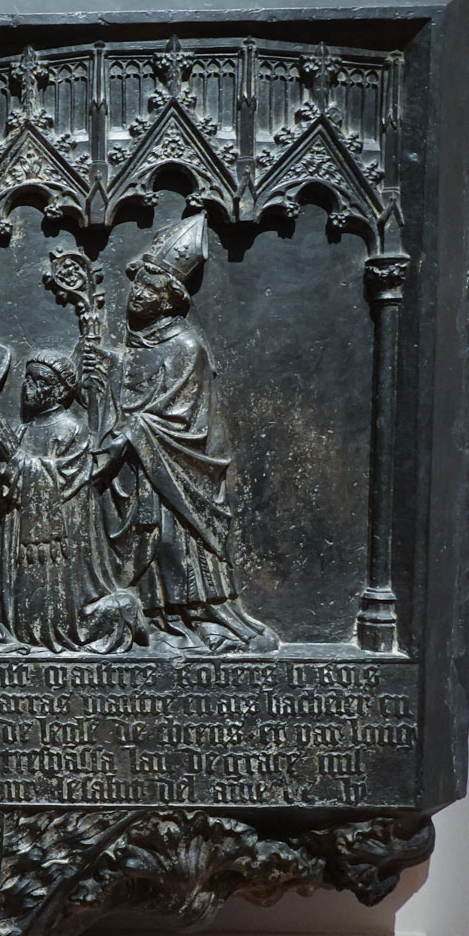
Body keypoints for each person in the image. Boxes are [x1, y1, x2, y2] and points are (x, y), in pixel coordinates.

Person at [79, 215, 279, 654]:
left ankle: (199, 616)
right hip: (141, 473)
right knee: (150, 543)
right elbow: (130, 388)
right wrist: (102, 367)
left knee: (175, 542)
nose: (138, 294)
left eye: (152, 290)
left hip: (180, 473)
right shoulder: (140, 342)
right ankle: (155, 617)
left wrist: (132, 430)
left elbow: (181, 421)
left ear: (171, 301)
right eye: (138, 284)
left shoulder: (187, 346)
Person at [0, 351, 141, 654]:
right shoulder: (25, 429)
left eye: (40, 381)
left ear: (61, 390)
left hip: (58, 532)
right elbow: (10, 475)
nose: (29, 387)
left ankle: (113, 615)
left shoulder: (71, 429)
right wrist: (8, 461)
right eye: (27, 379)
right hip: (21, 527)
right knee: (25, 606)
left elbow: (60, 480)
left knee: (55, 606)